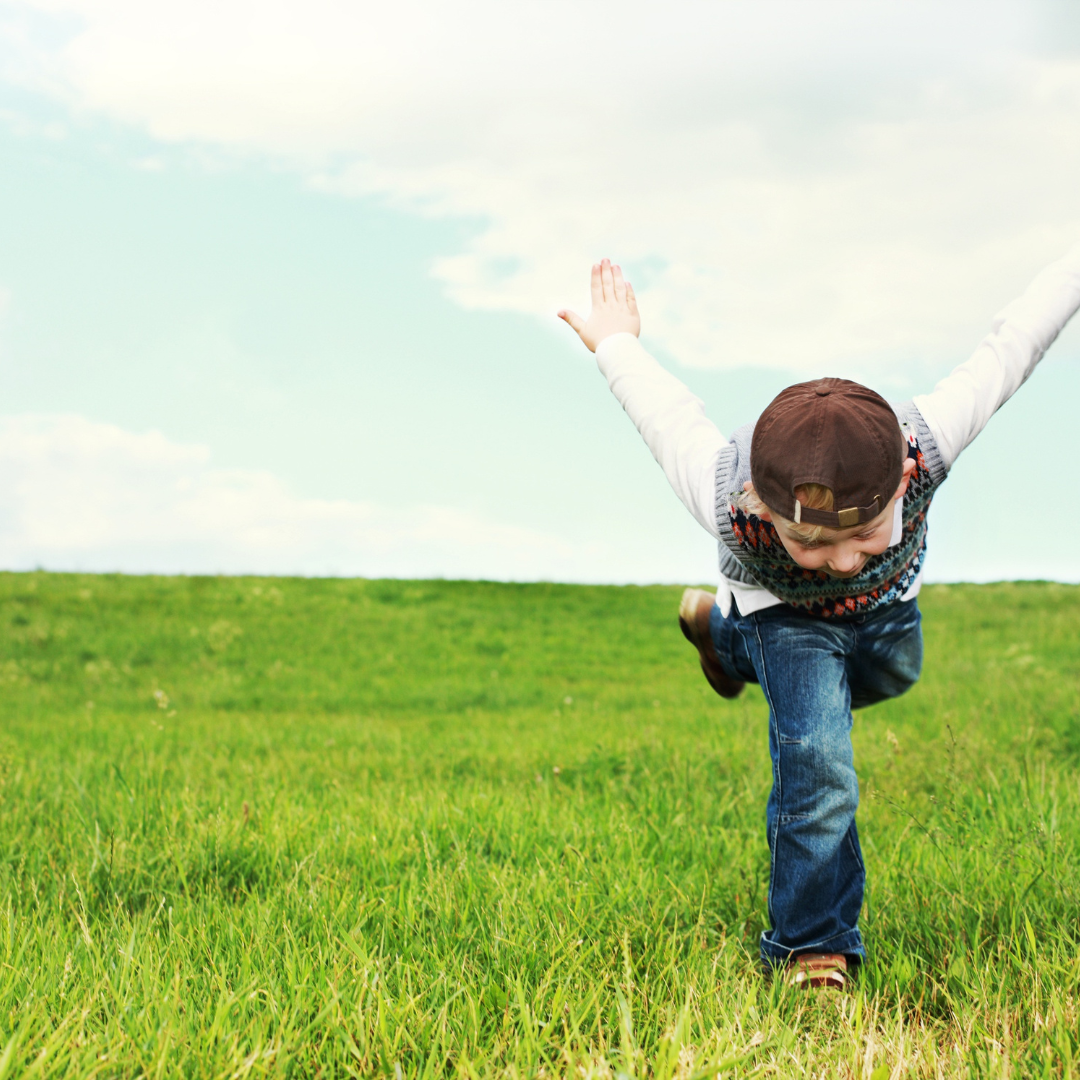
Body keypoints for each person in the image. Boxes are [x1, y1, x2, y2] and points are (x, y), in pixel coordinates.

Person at [558, 245, 1080, 989]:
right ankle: (812, 946)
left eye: (864, 536)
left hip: (887, 619)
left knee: (897, 674)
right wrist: (615, 342)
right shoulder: (721, 489)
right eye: (810, 541)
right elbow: (666, 413)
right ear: (761, 507)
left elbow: (1011, 346)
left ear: (902, 483)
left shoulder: (927, 441)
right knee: (819, 763)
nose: (841, 562)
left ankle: (722, 640)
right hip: (787, 622)